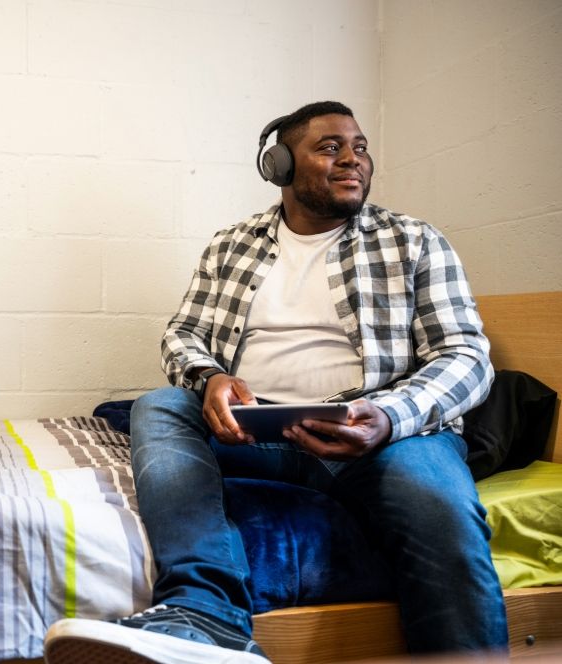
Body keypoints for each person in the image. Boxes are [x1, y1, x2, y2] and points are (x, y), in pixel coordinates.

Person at [42, 101, 508, 664]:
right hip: (258, 430)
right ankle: (204, 612)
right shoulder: (230, 245)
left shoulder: (413, 241)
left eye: (359, 148)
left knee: (439, 503)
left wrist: (390, 416)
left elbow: (466, 354)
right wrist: (210, 377)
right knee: (161, 405)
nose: (352, 161)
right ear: (280, 164)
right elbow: (184, 333)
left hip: (387, 434)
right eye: (330, 147)